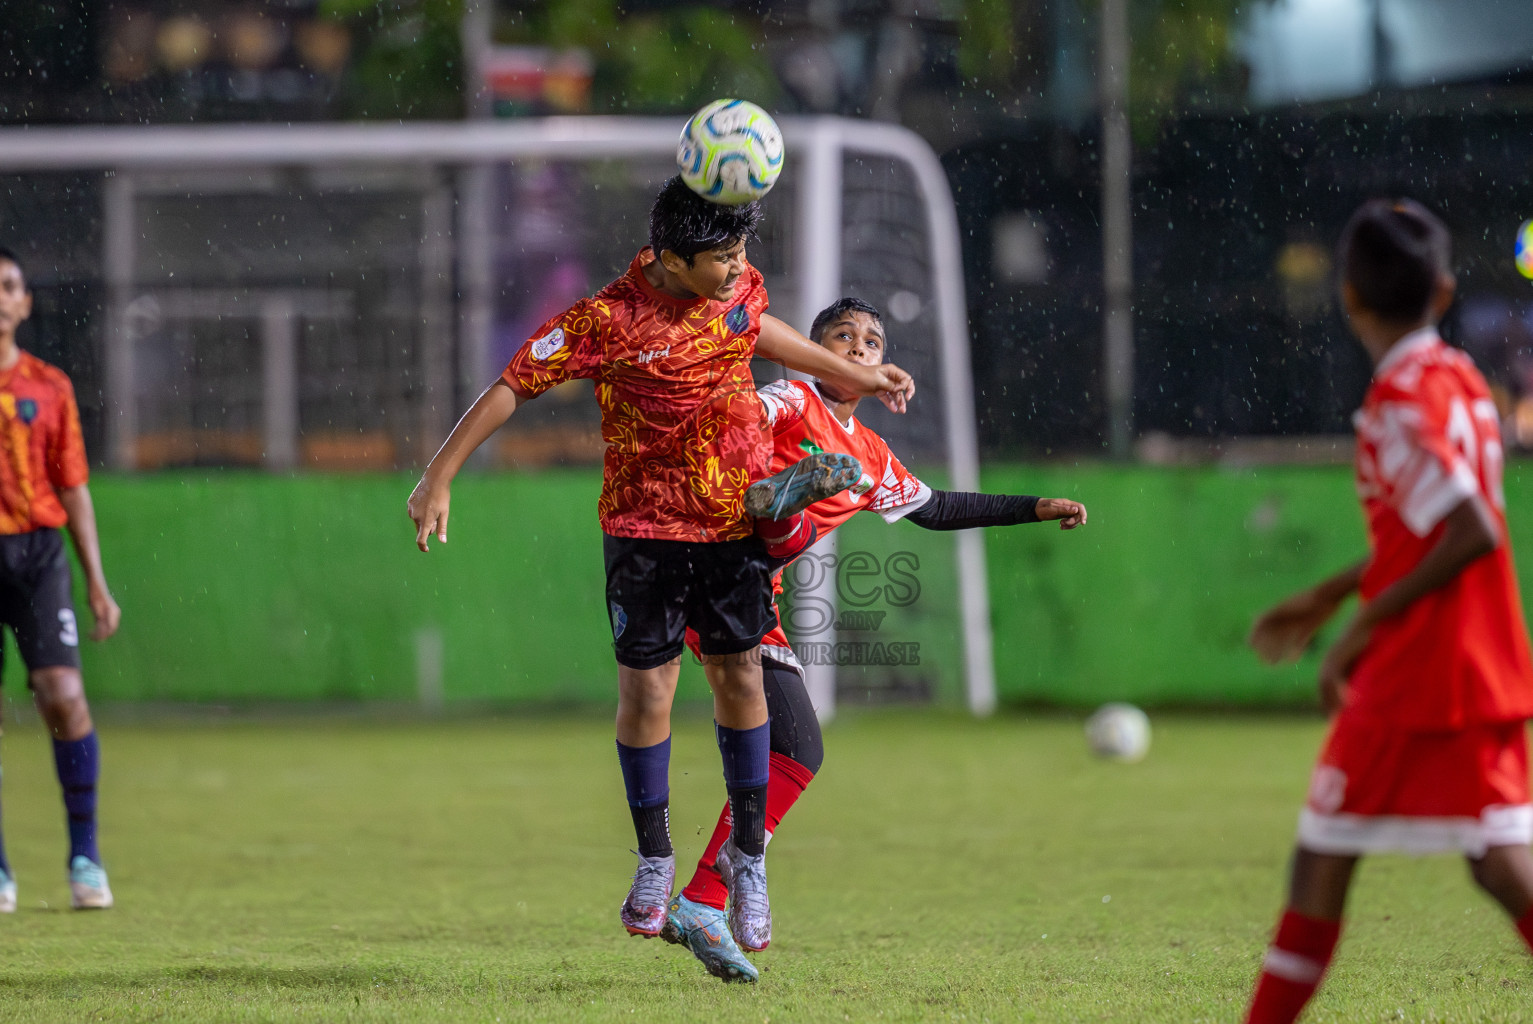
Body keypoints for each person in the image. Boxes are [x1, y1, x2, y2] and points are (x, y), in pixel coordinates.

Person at [406, 179, 914, 982]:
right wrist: (439, 475)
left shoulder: (736, 285)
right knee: (646, 695)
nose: (738, 269)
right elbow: (511, 383)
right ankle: (654, 859)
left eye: (742, 253)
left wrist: (849, 373)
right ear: (670, 260)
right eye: (721, 259)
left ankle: (746, 857)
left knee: (741, 678)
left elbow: (760, 327)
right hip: (640, 528)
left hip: (728, 523)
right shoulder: (603, 320)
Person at [662, 296, 1088, 980]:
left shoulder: (869, 453)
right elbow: (728, 421)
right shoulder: (788, 394)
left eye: (871, 341)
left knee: (797, 752)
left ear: (884, 362)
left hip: (750, 593)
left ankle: (705, 898)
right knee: (783, 733)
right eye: (842, 337)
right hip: (706, 568)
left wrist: (1034, 507)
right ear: (813, 349)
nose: (858, 348)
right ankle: (775, 501)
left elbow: (939, 508)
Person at [1243, 199, 1533, 1024]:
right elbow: (1442, 528)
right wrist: (1332, 592)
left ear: (1348, 296)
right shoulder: (1462, 383)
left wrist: (1355, 633)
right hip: (1483, 663)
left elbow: (1469, 531)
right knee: (1497, 862)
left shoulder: (1399, 399)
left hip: (1419, 671)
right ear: (1442, 293)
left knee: (1319, 864)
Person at [0, 247, 122, 912]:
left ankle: (86, 856)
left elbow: (73, 487)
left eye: (9, 286)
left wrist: (96, 583)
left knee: (62, 693)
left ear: (25, 303)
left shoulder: (49, 386)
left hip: (37, 553)